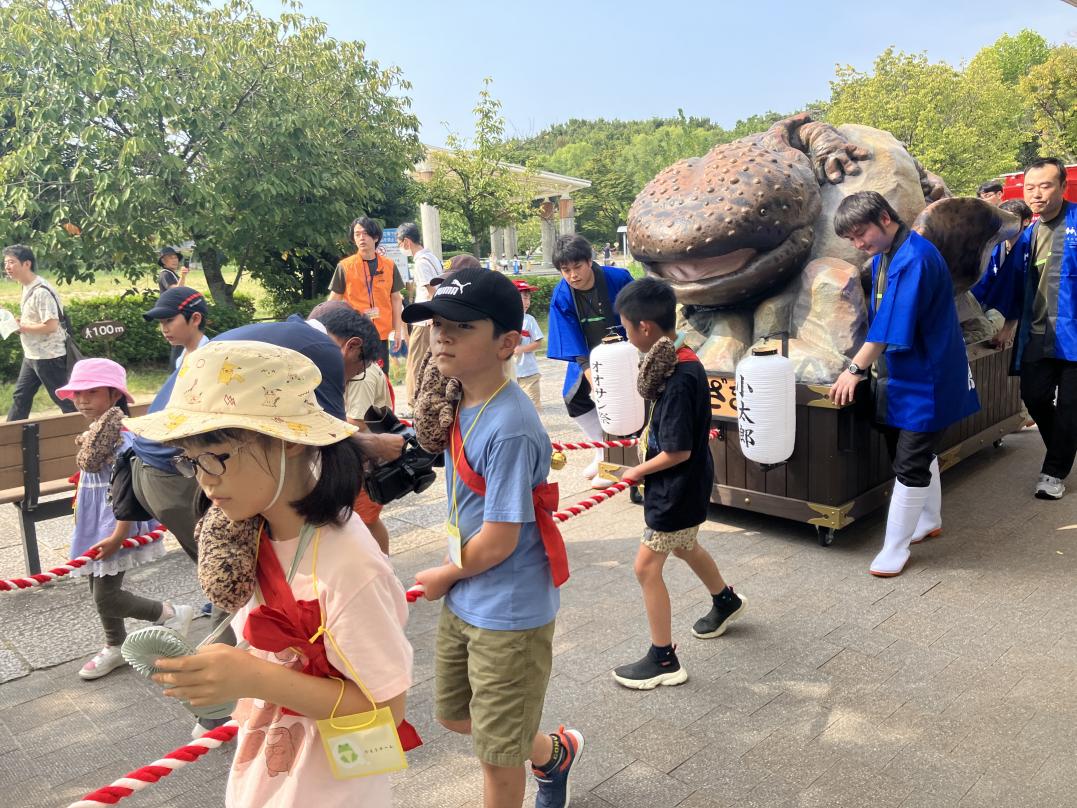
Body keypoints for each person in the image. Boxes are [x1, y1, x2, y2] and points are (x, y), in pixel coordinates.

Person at [126, 341, 414, 807]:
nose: (204, 478)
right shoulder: (249, 536)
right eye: (190, 460)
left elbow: (386, 710)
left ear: (291, 442)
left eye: (217, 455)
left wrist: (253, 677)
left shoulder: (350, 564)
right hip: (267, 778)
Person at [402, 268, 582, 808]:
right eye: (437, 324)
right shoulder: (461, 400)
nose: (442, 336)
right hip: (467, 592)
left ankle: (539, 757)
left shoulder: (511, 425)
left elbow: (501, 540)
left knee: (497, 760)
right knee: (454, 715)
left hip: (507, 608)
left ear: (507, 343)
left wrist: (444, 574)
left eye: (461, 326)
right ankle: (553, 751)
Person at [829, 192, 979, 577]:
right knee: (914, 454)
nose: (859, 245)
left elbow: (890, 323)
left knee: (910, 461)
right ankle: (929, 519)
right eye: (852, 240)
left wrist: (855, 368)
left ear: (885, 217)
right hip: (903, 376)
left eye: (862, 234)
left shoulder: (915, 256)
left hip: (928, 377)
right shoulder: (885, 256)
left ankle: (894, 549)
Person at [610, 278, 746, 689]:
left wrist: (635, 471)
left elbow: (678, 450)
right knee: (686, 545)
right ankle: (726, 600)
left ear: (646, 327)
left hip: (677, 485)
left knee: (645, 567)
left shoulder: (679, 375)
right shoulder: (678, 358)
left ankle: (663, 659)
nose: (626, 335)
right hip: (685, 483)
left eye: (626, 327)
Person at [56, 359, 193, 680]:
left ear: (114, 395)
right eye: (77, 393)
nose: (82, 400)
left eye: (91, 392)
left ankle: (169, 614)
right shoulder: (97, 433)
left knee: (107, 595)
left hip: (114, 522)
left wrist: (120, 533)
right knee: (97, 586)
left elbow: (128, 489)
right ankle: (115, 643)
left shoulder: (120, 437)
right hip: (95, 521)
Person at [992, 157, 1077, 500]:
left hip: (1075, 337)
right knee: (1035, 397)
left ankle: (1053, 471)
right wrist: (1007, 325)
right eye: (1030, 187)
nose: (1037, 194)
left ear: (1062, 186)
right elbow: (1012, 285)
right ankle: (1065, 444)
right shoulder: (1028, 234)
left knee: (1071, 405)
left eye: (1045, 185)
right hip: (1039, 334)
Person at [546, 234, 634, 487]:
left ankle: (618, 463)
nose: (573, 275)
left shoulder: (619, 278)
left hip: (625, 351)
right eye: (565, 270)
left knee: (621, 403)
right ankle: (602, 450)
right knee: (574, 398)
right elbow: (569, 334)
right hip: (588, 354)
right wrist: (588, 372)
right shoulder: (562, 294)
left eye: (577, 267)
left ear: (589, 261)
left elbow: (639, 312)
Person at [310, 301, 395, 554]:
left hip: (361, 464)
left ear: (352, 346)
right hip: (348, 456)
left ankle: (382, 566)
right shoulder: (339, 363)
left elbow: (354, 425)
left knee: (365, 522)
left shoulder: (362, 373)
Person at [4, 244, 77, 421]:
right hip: (33, 355)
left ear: (26, 264)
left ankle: (87, 434)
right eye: (5, 263)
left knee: (66, 401)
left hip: (49, 357)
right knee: (21, 398)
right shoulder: (26, 286)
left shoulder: (41, 291)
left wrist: (21, 327)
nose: (7, 267)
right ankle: (9, 440)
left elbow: (51, 326)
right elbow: (37, 320)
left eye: (12, 262)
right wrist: (18, 323)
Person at [328, 216, 406, 365]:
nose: (361, 238)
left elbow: (396, 299)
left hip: (381, 334)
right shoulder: (345, 266)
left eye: (365, 233)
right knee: (356, 378)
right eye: (357, 234)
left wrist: (398, 331)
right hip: (354, 334)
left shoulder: (389, 265)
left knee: (381, 377)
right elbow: (333, 302)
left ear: (375, 237)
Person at [397, 222, 441, 411]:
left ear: (407, 242)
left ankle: (413, 405)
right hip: (431, 320)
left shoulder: (421, 263)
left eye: (400, 243)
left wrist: (433, 318)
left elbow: (431, 292)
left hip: (424, 322)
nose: (400, 247)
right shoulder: (431, 257)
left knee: (415, 363)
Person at [971, 199, 1034, 312]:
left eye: (1012, 218)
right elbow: (983, 281)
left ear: (1026, 221)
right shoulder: (994, 247)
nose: (1006, 223)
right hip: (993, 308)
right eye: (1003, 218)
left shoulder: (1031, 246)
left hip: (1021, 309)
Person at [142, 286, 209, 371]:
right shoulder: (180, 359)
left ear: (195, 319)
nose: (164, 330)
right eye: (161, 322)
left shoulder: (212, 359)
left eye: (169, 320)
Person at [513, 279, 544, 408]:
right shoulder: (503, 320)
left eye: (528, 299)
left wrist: (522, 349)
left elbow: (538, 342)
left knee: (532, 405)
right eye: (523, 298)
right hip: (511, 375)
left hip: (529, 373)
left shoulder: (529, 320)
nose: (527, 303)